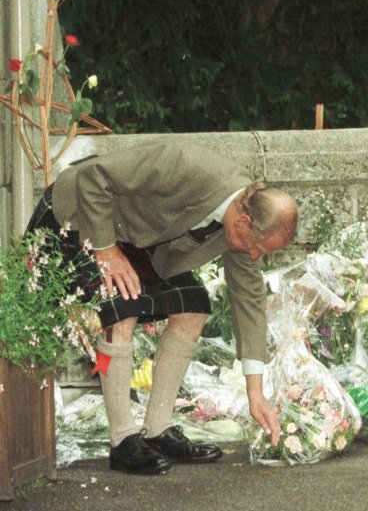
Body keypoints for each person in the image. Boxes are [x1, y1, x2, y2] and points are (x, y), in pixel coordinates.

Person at [26, 141, 298, 474]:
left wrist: (256, 393)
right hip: (76, 218)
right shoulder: (183, 163)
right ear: (244, 221)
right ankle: (123, 440)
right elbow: (93, 178)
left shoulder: (244, 230)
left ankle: (157, 429)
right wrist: (107, 250)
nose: (254, 256)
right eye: (256, 248)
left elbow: (249, 299)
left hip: (134, 242)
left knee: (193, 306)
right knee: (121, 305)